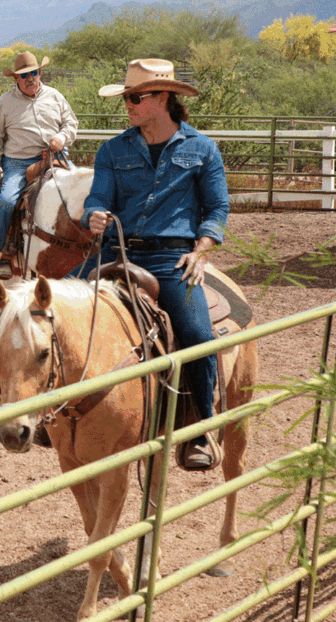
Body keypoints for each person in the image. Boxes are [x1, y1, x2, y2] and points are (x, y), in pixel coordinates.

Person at [78, 58, 228, 469]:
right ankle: (51, 411)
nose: (127, 104)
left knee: (198, 334)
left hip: (170, 256)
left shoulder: (202, 149)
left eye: (134, 97)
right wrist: (93, 214)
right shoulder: (112, 149)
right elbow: (98, 199)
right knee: (53, 307)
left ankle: (200, 430)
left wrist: (200, 251)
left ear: (162, 98)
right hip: (116, 250)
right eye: (126, 97)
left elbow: (217, 209)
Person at [0, 52, 79, 279]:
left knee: (81, 194)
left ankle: (86, 249)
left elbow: (71, 122)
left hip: (55, 158)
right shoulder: (5, 102)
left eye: (33, 73)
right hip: (18, 163)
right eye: (24, 75)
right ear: (16, 79)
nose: (30, 78)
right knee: (6, 202)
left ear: (40, 73)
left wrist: (62, 137)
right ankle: (1, 255)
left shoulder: (55, 96)